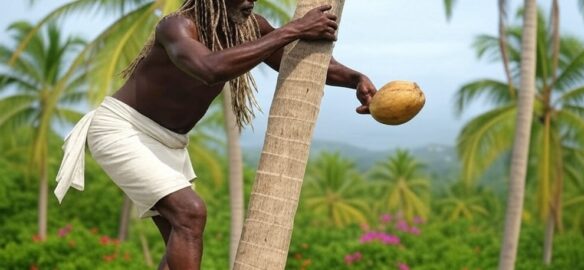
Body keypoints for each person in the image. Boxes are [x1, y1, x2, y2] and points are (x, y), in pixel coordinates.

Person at [55, 0, 377, 269]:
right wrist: (293, 29)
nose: (250, 1)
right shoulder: (177, 26)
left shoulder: (249, 26)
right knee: (190, 214)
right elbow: (209, 68)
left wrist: (356, 79)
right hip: (123, 130)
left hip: (171, 143)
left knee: (179, 242)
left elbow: (287, 58)